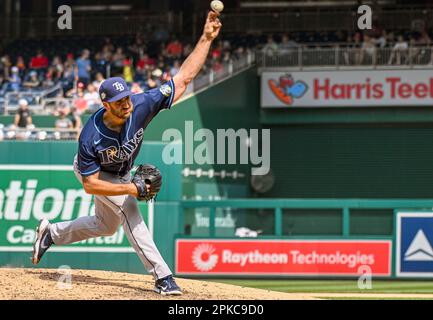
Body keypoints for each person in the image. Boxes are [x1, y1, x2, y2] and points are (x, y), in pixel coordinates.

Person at [31, 11, 222, 296]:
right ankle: (163, 276)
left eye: (126, 97)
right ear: (106, 105)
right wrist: (131, 189)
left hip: (120, 172)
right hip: (95, 174)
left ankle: (51, 233)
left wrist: (206, 38)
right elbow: (90, 184)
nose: (126, 104)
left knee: (105, 226)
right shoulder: (90, 136)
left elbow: (183, 79)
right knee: (129, 210)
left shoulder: (141, 103)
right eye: (119, 102)